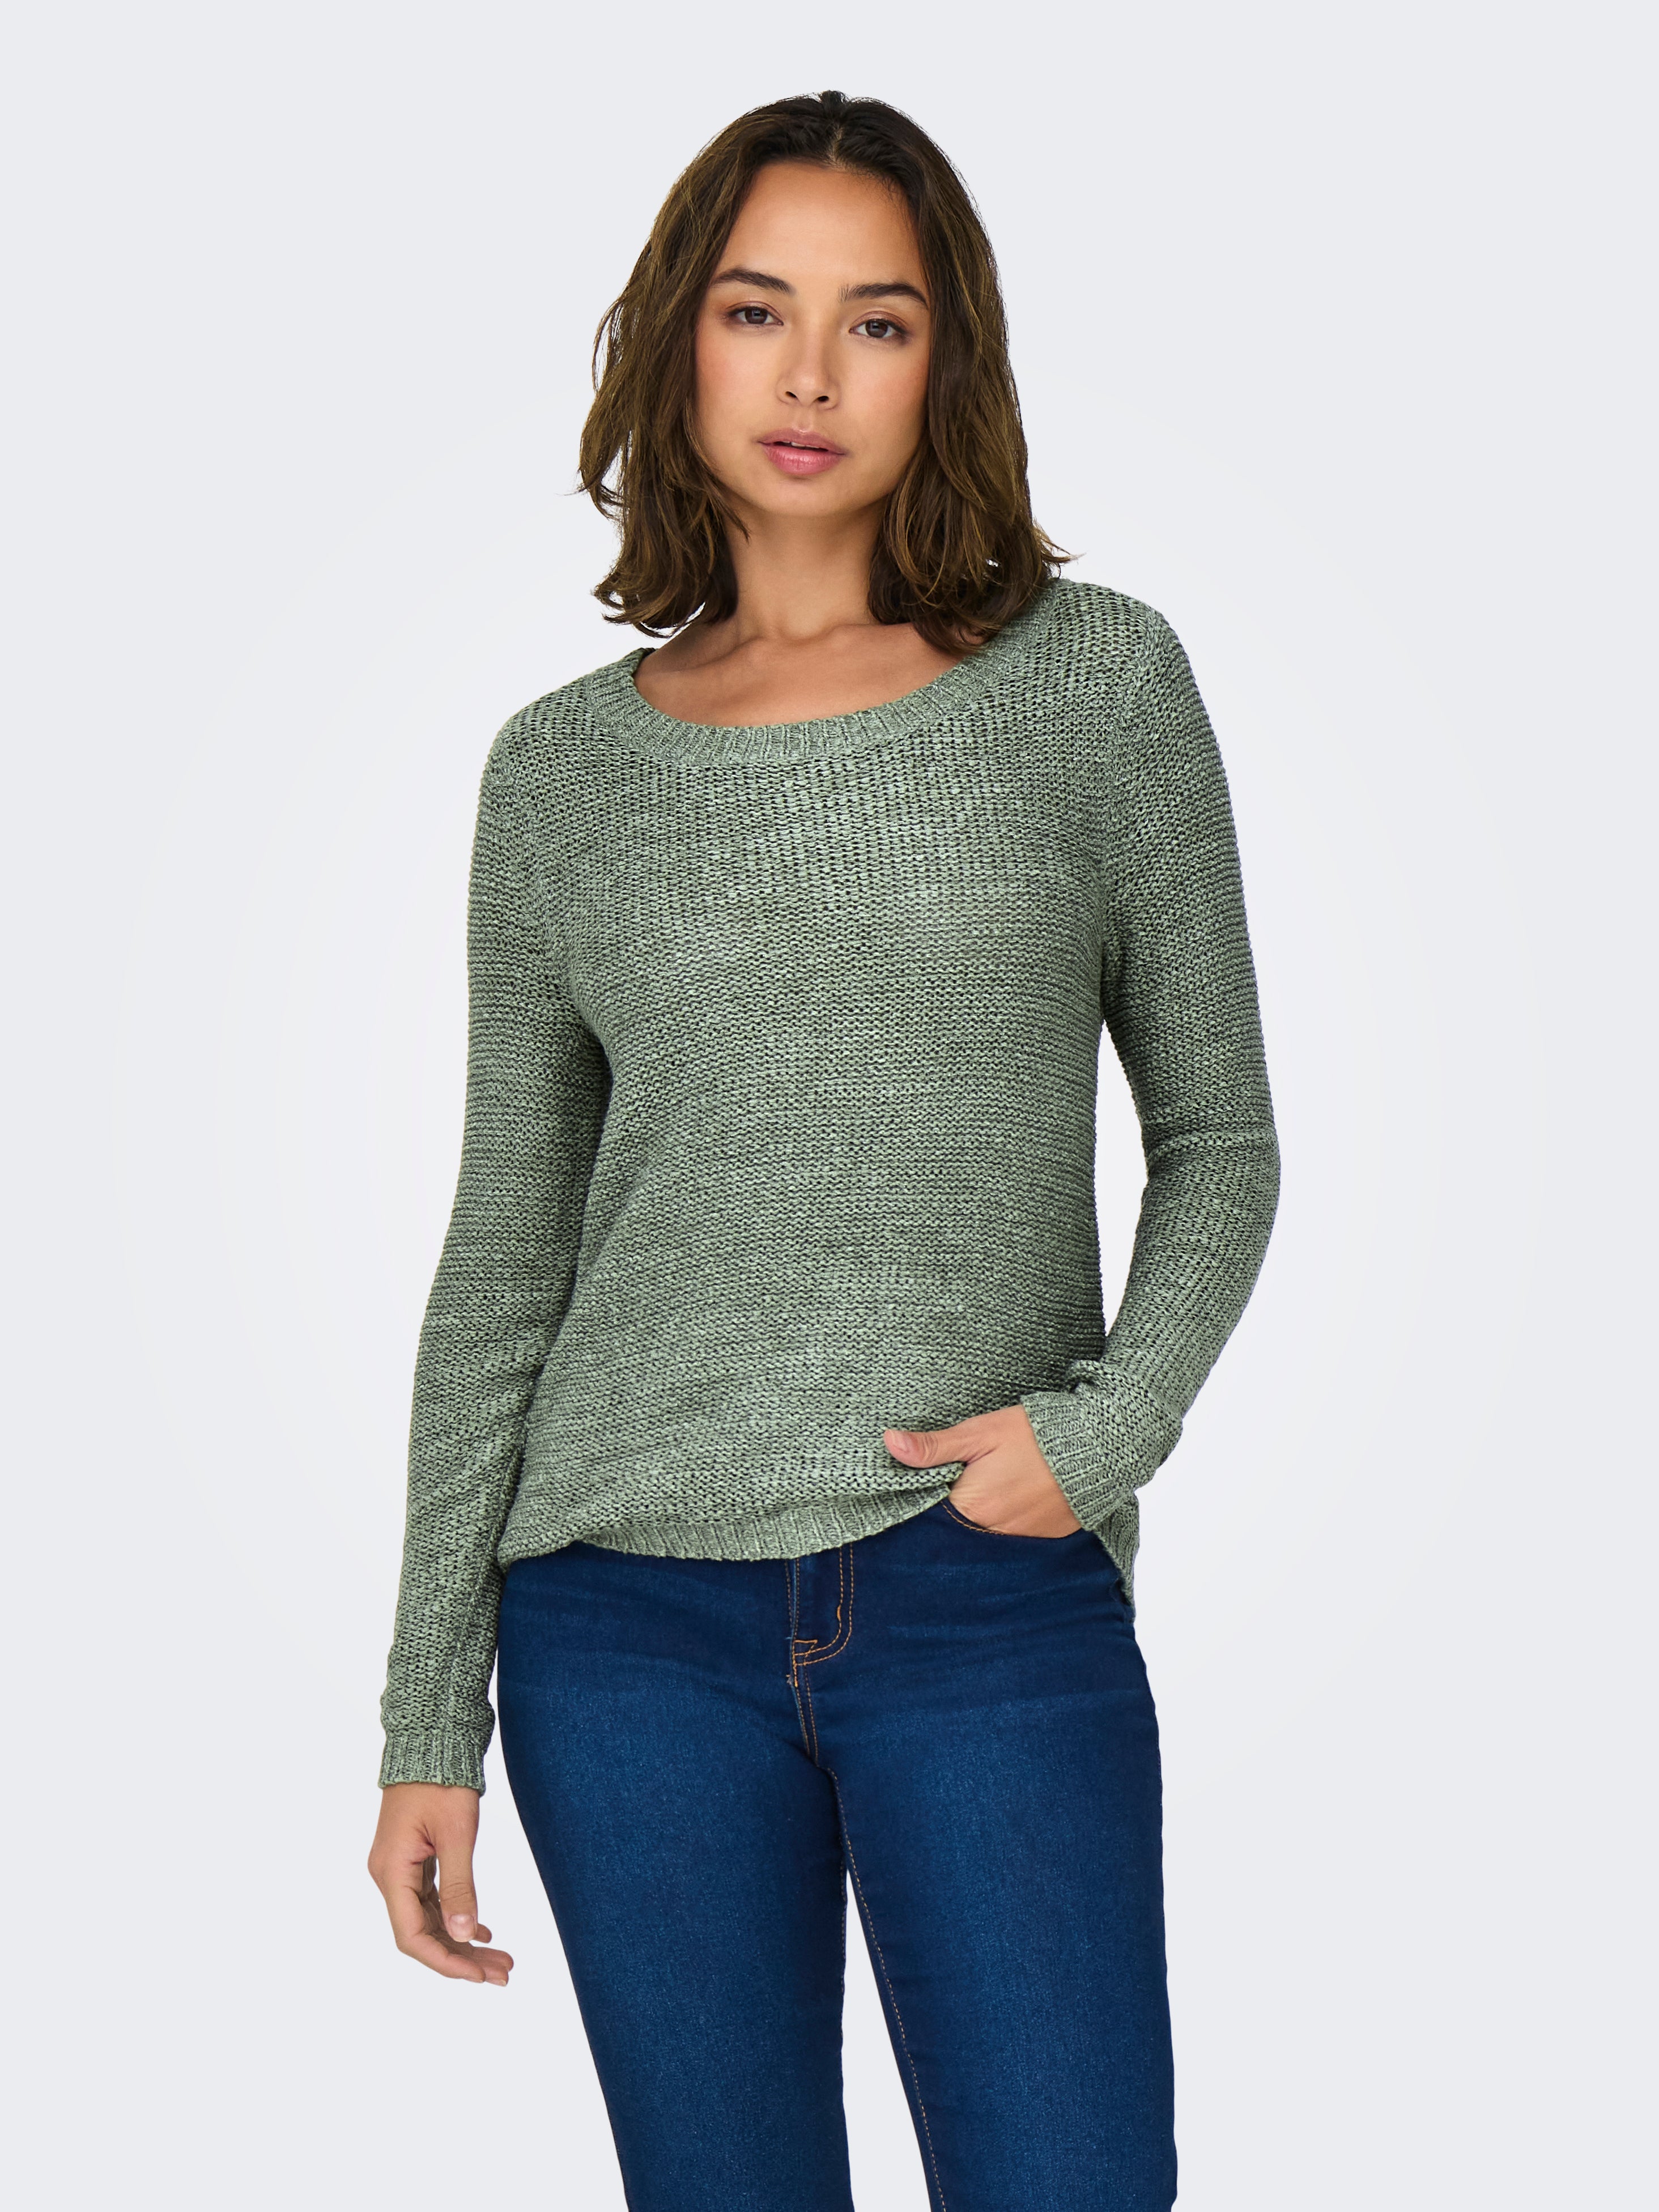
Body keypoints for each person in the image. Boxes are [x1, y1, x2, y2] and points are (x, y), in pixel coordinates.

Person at [368, 89, 1278, 2212]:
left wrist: (1107, 1432)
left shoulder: (1097, 686)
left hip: (989, 1591)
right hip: (619, 1630)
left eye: (876, 322)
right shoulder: (560, 776)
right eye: (755, 308)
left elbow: (1222, 1133)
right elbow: (507, 1256)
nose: (807, 375)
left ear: (946, 361)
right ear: (676, 342)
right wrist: (428, 1715)